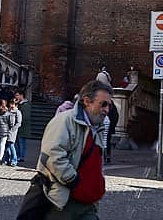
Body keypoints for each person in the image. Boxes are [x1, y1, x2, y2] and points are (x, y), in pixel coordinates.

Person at [25, 80, 111, 219]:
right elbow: (52, 155)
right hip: (65, 201)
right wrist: (74, 181)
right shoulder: (65, 121)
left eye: (109, 105)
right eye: (103, 104)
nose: (107, 110)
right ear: (87, 101)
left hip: (88, 203)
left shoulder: (97, 127)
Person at [14, 90, 32, 166]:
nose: (16, 97)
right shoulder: (19, 104)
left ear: (21, 95)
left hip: (23, 127)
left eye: (17, 95)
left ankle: (21, 156)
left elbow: (25, 117)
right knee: (18, 143)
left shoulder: (26, 105)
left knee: (21, 143)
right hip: (19, 128)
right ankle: (18, 155)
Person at [5, 98, 23, 166]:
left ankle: (14, 160)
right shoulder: (8, 111)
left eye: (13, 104)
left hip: (12, 131)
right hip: (6, 130)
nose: (11, 105)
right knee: (7, 146)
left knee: (11, 144)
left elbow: (19, 123)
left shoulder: (17, 112)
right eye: (11, 104)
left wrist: (13, 129)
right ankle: (7, 159)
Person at [104, 98, 119, 164]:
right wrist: (113, 126)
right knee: (107, 141)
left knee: (103, 141)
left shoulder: (105, 105)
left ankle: (105, 156)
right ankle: (107, 156)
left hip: (105, 125)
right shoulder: (112, 106)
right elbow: (116, 116)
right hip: (109, 126)